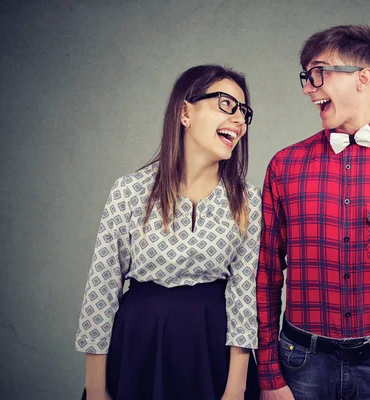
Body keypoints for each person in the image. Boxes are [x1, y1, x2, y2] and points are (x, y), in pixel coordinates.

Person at [256, 25, 370, 400]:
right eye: (305, 77)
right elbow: (265, 276)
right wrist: (269, 376)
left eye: (318, 73)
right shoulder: (283, 167)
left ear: (363, 77)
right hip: (299, 362)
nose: (308, 88)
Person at [75, 65, 262, 400]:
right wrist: (96, 388)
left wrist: (236, 387)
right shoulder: (129, 192)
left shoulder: (248, 201)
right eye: (226, 104)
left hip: (212, 355)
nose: (239, 119)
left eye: (244, 111)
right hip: (137, 350)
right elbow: (100, 292)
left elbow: (243, 297)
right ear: (184, 112)